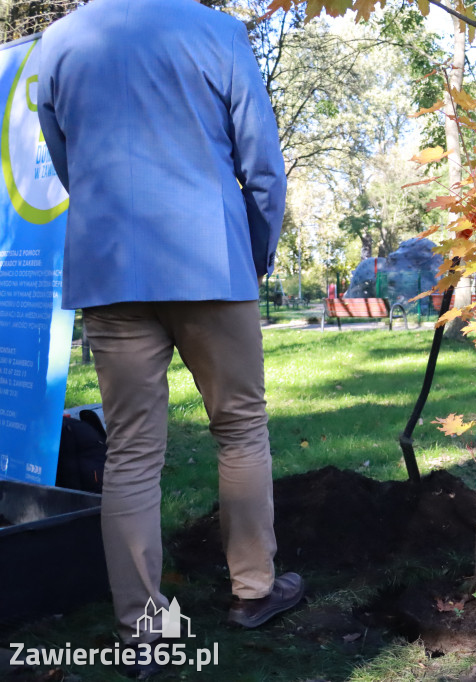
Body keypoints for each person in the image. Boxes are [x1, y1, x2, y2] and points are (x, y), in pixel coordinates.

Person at [36, 0, 304, 669]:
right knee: (239, 427)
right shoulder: (218, 31)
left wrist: (108, 215)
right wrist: (257, 249)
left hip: (109, 265)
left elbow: (65, 156)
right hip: (211, 258)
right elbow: (261, 163)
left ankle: (142, 635)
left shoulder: (60, 41)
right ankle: (254, 591)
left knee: (129, 452)